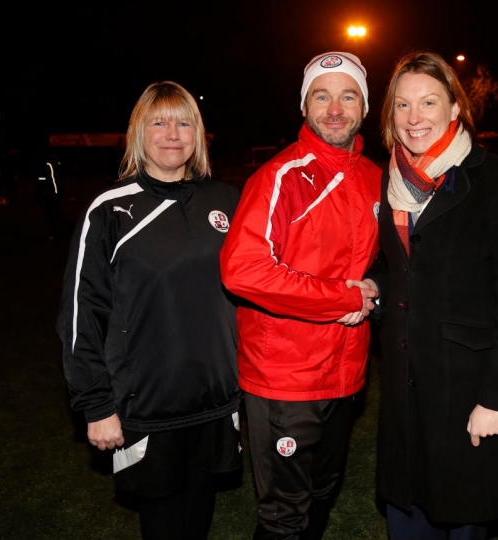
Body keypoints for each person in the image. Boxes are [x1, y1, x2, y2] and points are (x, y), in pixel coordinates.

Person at [362, 51, 498, 539]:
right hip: (404, 385)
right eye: (402, 105)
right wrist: (375, 280)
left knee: (463, 516)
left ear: (455, 109)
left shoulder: (495, 178)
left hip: (468, 390)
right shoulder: (391, 177)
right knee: (408, 515)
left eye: (428, 102)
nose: (414, 118)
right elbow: (400, 262)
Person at [57, 81, 242, 540]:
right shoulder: (109, 210)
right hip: (147, 406)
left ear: (198, 134)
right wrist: (96, 403)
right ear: (139, 132)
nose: (172, 133)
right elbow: (81, 315)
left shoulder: (226, 201)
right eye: (159, 122)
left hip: (218, 401)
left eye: (183, 122)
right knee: (163, 522)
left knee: (199, 514)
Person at [219, 52, 381, 540]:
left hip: (347, 372)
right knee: (283, 512)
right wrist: (343, 300)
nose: (335, 108)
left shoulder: (377, 175)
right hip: (284, 378)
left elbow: (384, 261)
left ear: (365, 107)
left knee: (323, 491)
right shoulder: (280, 175)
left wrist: (374, 287)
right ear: (304, 105)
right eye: (322, 95)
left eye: (348, 95)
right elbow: (243, 270)